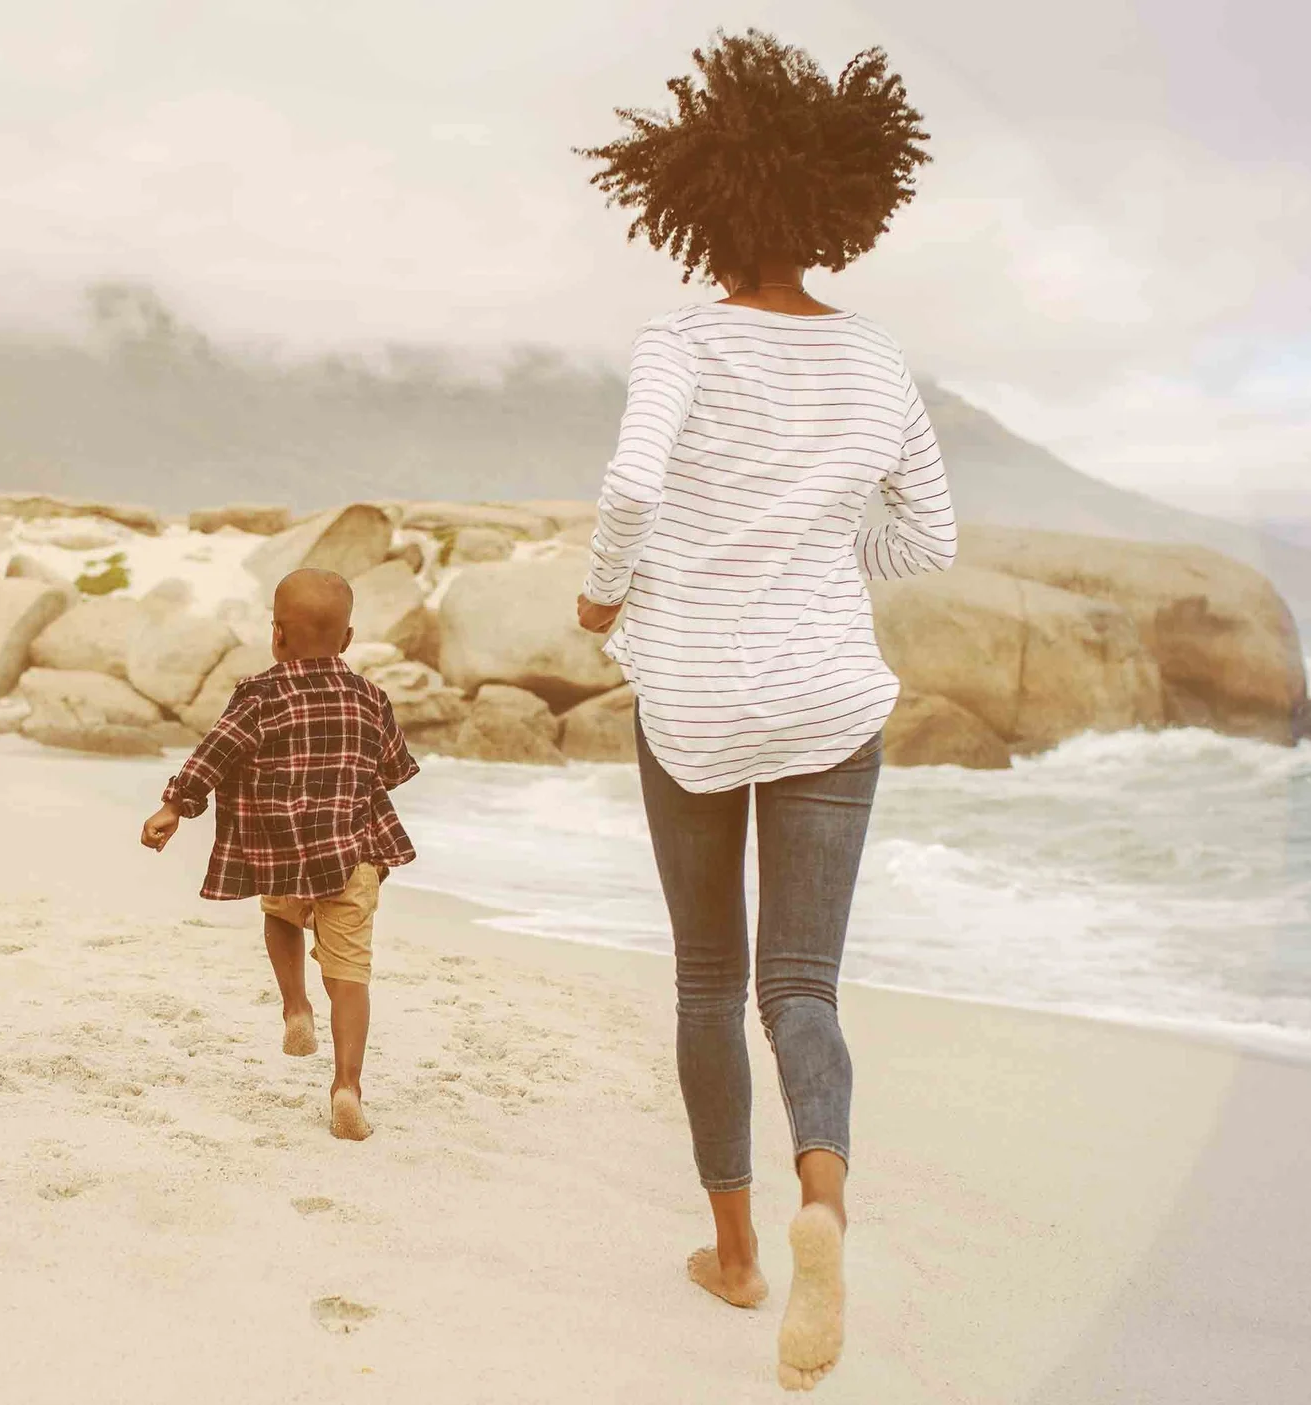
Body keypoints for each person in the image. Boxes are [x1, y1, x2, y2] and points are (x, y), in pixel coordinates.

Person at [574, 32, 954, 1393]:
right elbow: (927, 537)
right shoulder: (875, 362)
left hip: (692, 696)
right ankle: (825, 1210)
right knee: (803, 987)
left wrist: (607, 599)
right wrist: (808, 547)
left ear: (696, 195)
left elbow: (630, 487)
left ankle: (735, 1253)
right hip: (828, 700)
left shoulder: (680, 339)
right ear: (839, 201)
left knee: (705, 981)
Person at [139, 568, 418, 1141]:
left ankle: (295, 1008)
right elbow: (393, 768)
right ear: (347, 639)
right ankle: (347, 1086)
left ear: (276, 635)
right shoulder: (371, 697)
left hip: (281, 851)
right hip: (354, 853)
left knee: (280, 918)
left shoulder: (260, 695)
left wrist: (175, 804)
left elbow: (214, 753)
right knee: (350, 974)